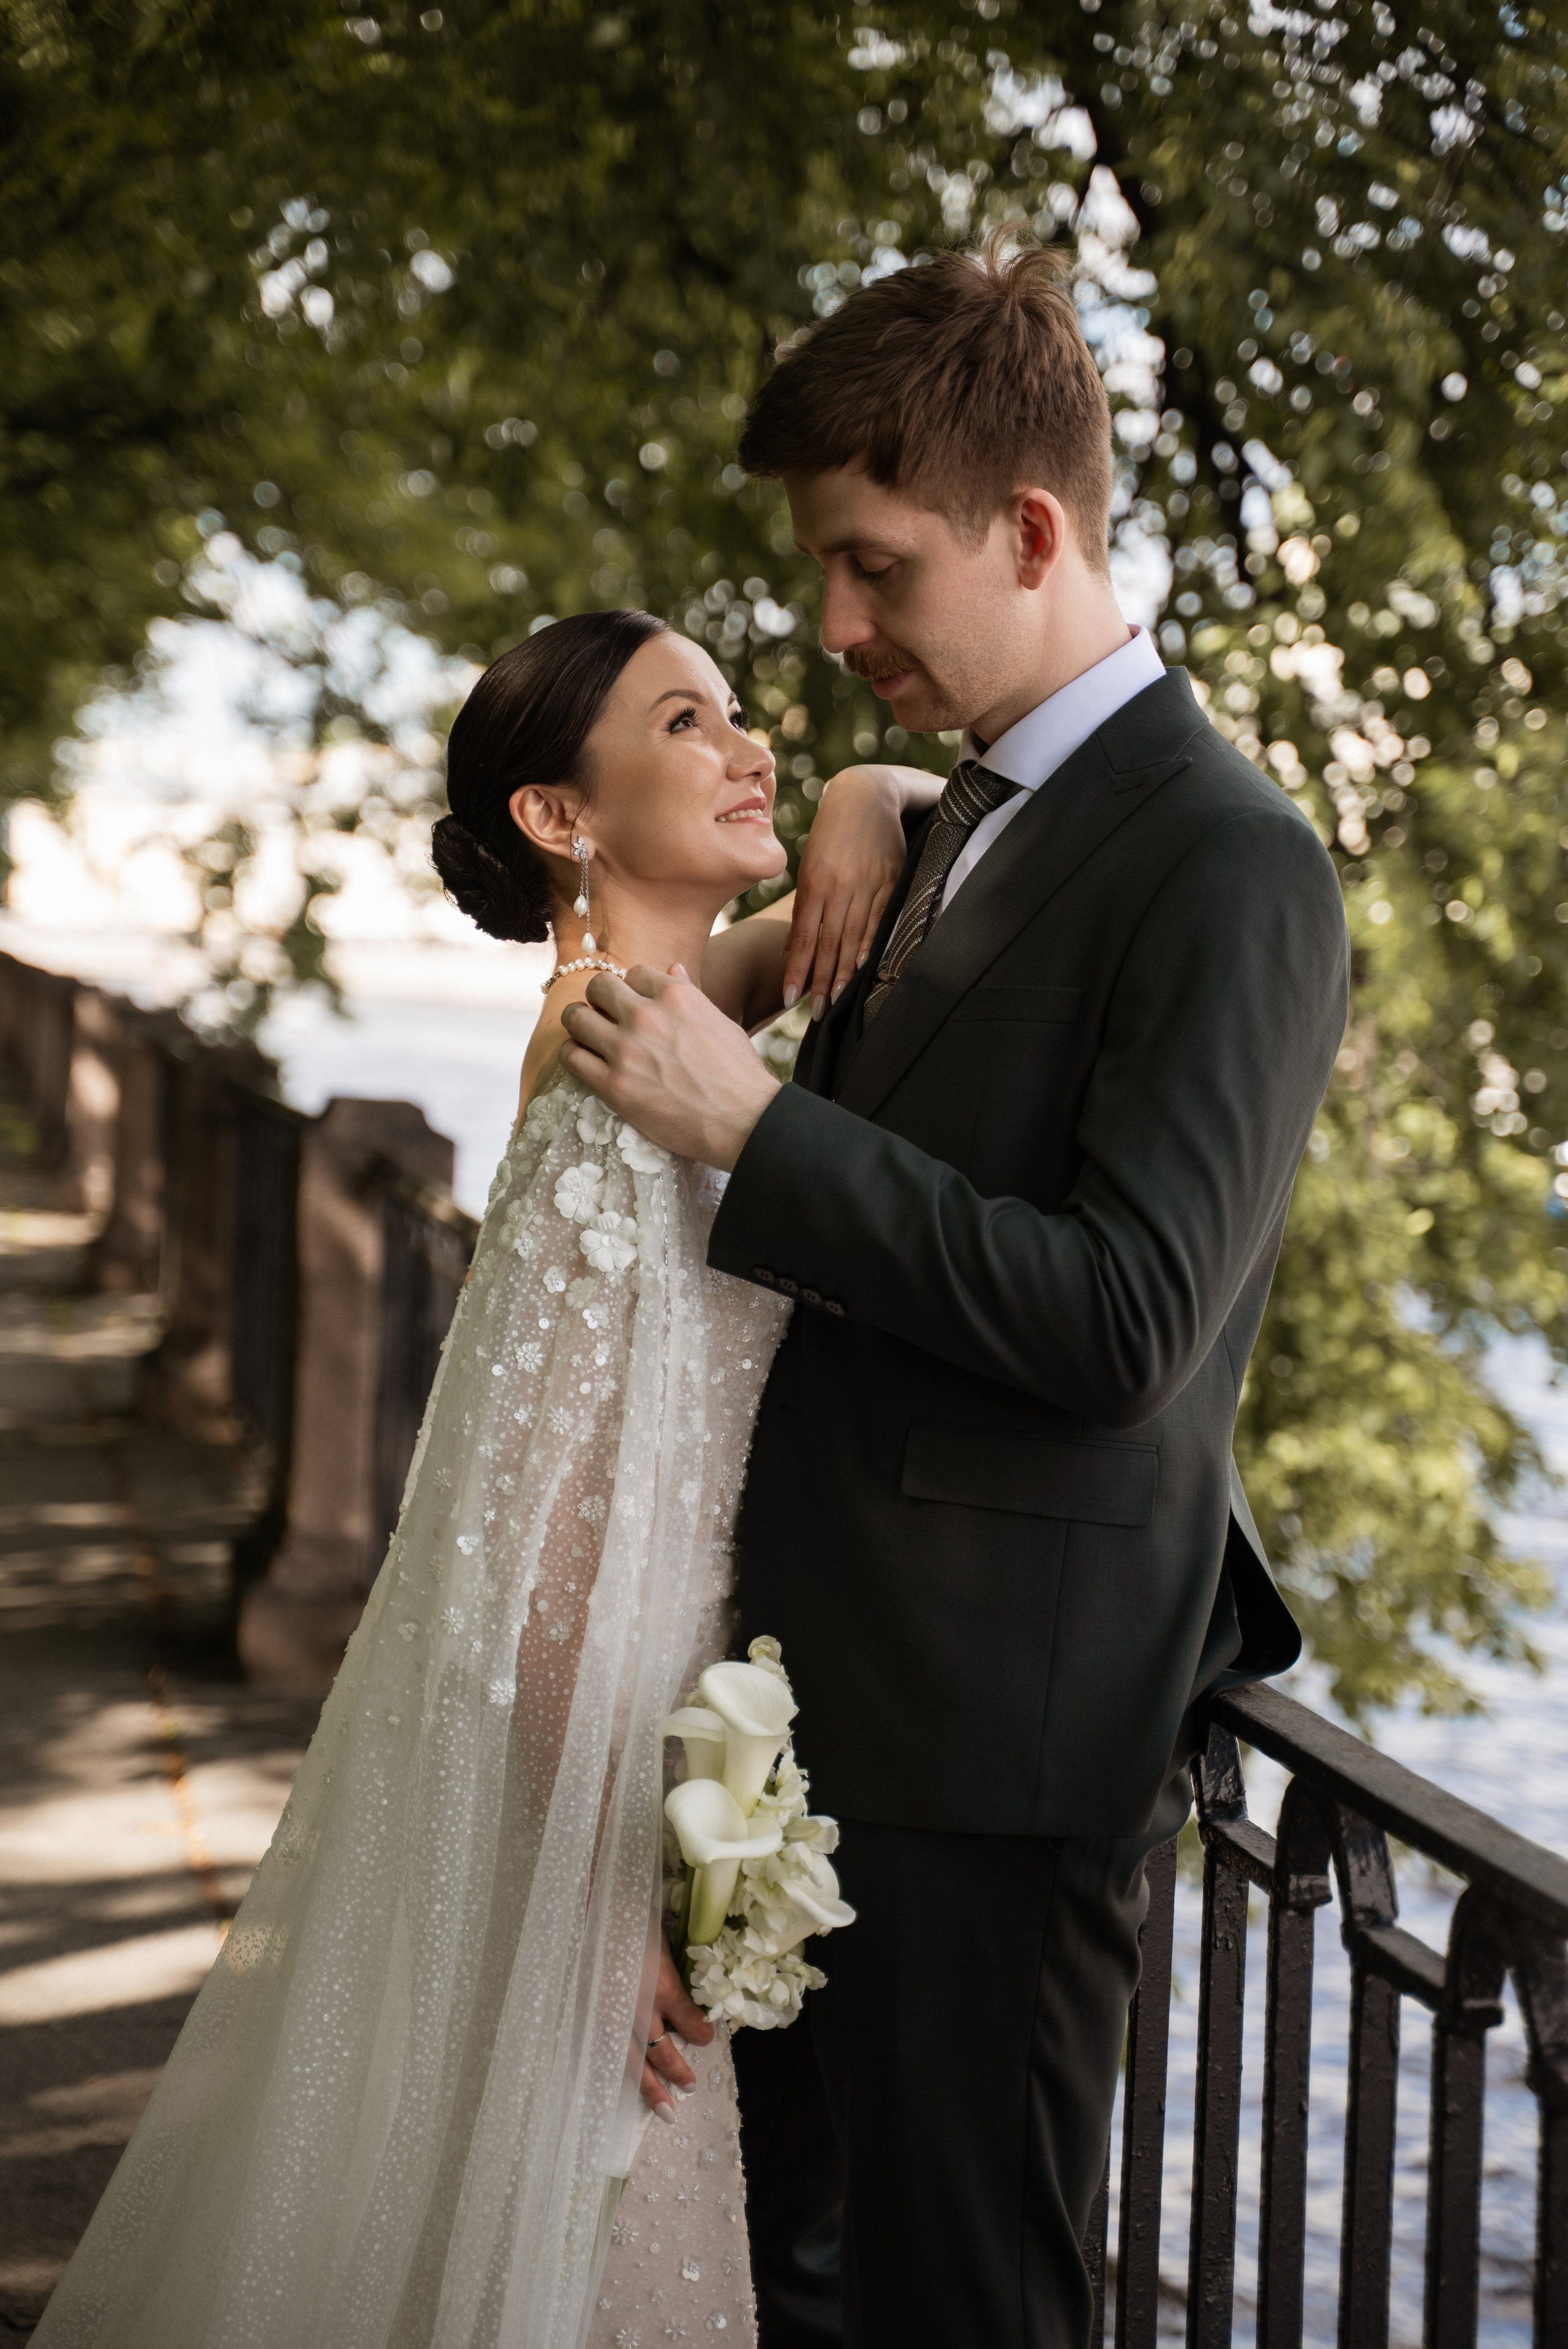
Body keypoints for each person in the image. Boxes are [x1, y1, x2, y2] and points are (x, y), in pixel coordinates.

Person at [557, 235, 1351, 2348]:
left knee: (967, 2310)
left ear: (1030, 530)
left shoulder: (1233, 859)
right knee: (801, 2305)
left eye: (875, 570)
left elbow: (1123, 1320)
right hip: (817, 1732)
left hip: (1002, 1761)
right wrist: (861, 796)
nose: (833, 626)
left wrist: (758, 1129)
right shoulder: (957, 817)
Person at [31, 612, 934, 2349]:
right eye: (692, 721)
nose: (750, 745)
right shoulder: (611, 1076)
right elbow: (531, 1562)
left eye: (743, 713)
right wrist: (612, 1917)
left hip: (633, 1773)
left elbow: (788, 949)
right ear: (557, 815)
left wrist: (874, 785)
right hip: (590, 1815)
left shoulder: (630, 1019)